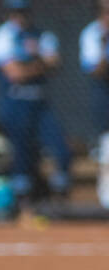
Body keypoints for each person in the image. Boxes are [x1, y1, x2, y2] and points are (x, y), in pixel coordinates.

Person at [0, 0, 71, 204]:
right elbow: (15, 73)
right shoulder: (2, 36)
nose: (20, 17)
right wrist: (40, 63)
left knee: (61, 149)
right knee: (21, 152)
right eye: (15, 13)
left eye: (23, 12)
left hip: (40, 103)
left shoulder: (42, 35)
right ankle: (23, 201)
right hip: (15, 104)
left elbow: (55, 63)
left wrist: (31, 65)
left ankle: (59, 197)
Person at [80, 0, 109, 208]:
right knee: (107, 147)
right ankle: (107, 198)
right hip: (104, 96)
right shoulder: (93, 34)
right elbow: (96, 70)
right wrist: (104, 44)